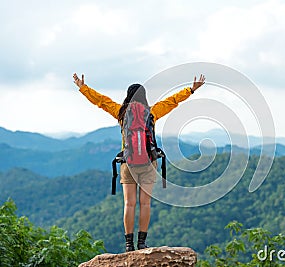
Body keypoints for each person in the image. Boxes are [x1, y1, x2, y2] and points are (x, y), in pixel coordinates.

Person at [73, 72, 205, 251]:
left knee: (129, 203)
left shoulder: (121, 113)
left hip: (128, 164)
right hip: (149, 163)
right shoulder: (152, 113)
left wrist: (83, 88)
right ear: (144, 97)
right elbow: (172, 101)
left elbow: (101, 101)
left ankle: (129, 244)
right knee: (145, 203)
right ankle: (142, 242)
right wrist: (191, 89)